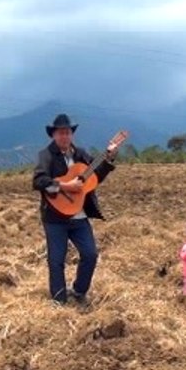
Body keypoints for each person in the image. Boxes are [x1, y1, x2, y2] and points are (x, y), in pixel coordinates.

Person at [32, 113, 119, 305]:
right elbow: (38, 181)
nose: (64, 136)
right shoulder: (46, 155)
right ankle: (59, 300)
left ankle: (79, 291)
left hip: (79, 216)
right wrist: (64, 186)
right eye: (60, 133)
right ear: (53, 135)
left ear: (72, 134)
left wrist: (109, 157)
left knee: (90, 254)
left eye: (68, 132)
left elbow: (95, 177)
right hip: (55, 217)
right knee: (56, 260)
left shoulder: (81, 154)